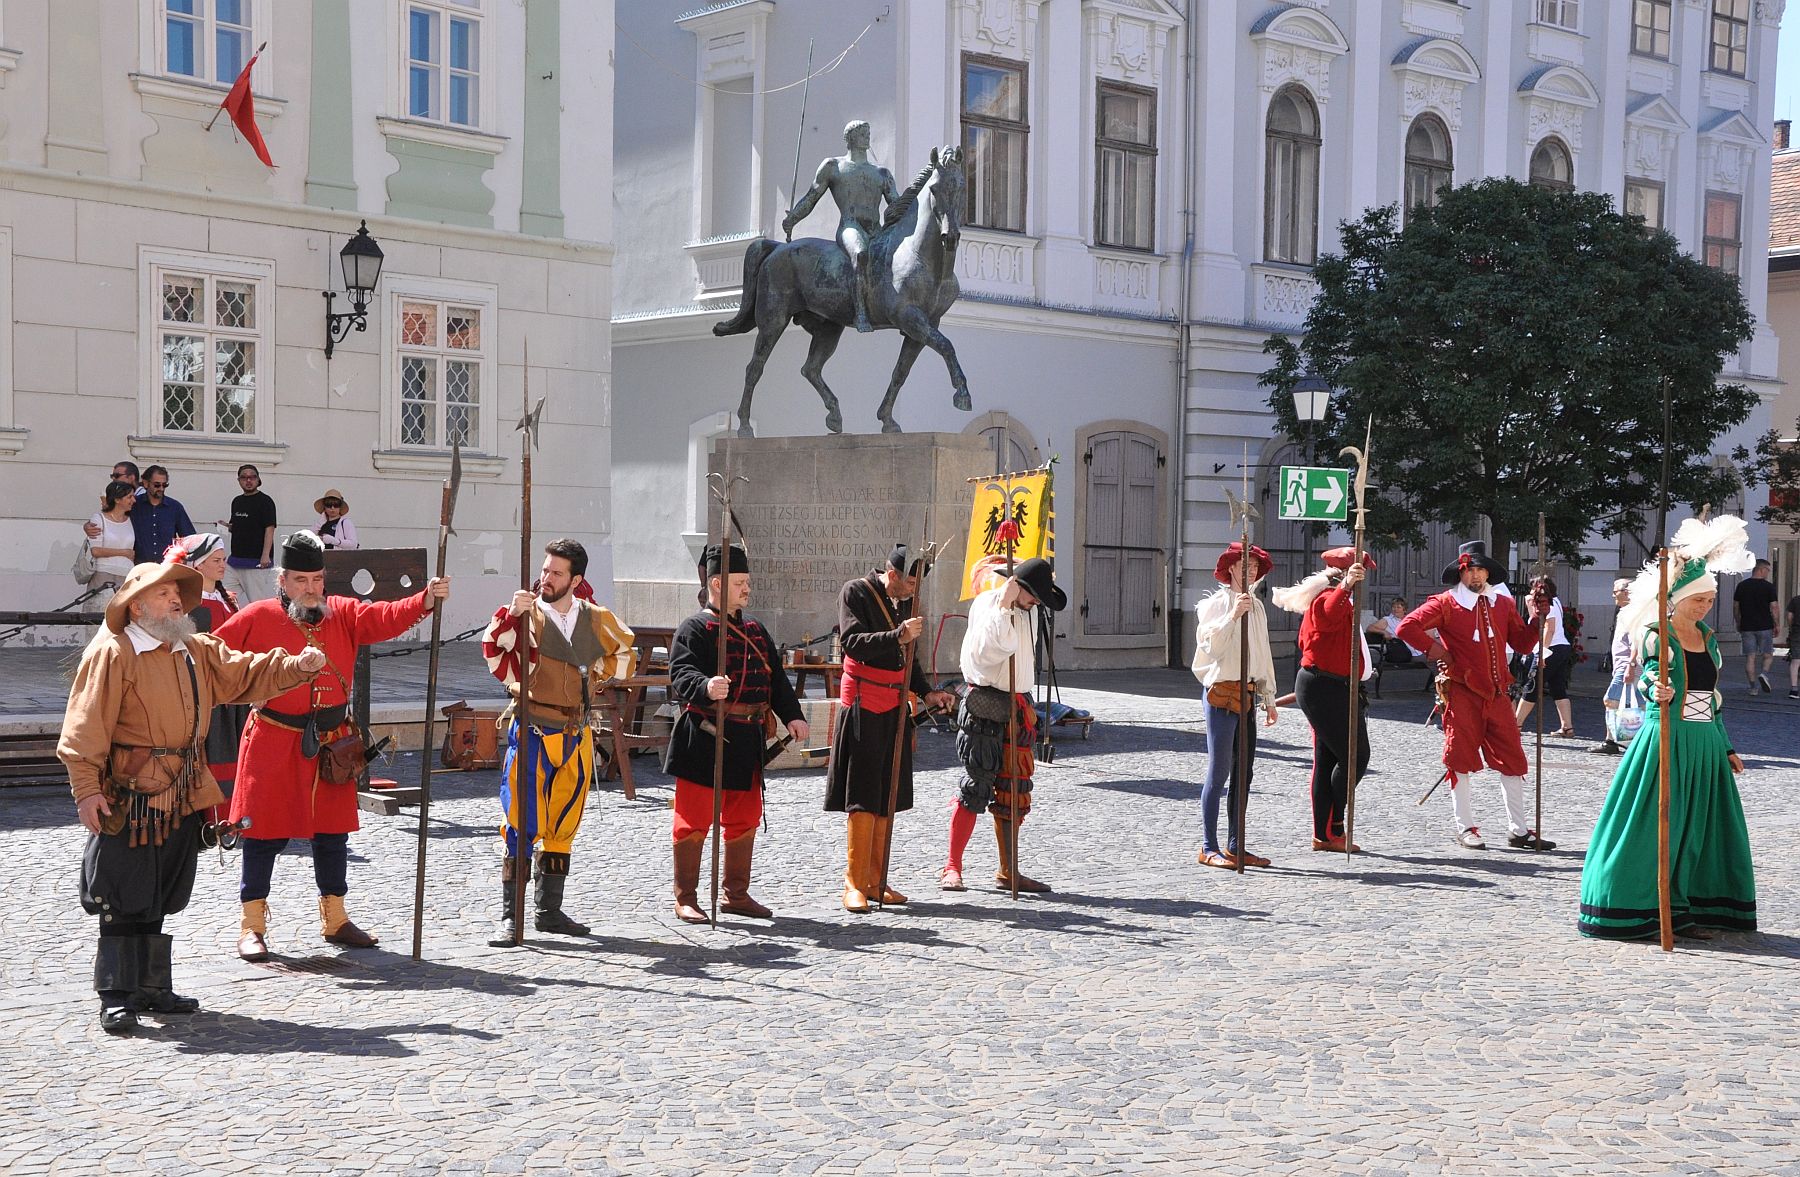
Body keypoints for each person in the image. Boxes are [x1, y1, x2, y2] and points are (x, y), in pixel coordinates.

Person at [57, 561, 323, 1033]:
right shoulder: (114, 652)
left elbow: (243, 671)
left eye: (178, 593)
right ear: (136, 606)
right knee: (122, 892)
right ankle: (116, 995)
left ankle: (152, 988)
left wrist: (295, 666)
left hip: (182, 791)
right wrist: (86, 791)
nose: (176, 600)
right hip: (130, 795)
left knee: (161, 891)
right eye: (163, 594)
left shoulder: (194, 649)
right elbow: (84, 727)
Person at [215, 530, 449, 959]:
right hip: (274, 738)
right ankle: (252, 926)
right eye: (301, 580)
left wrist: (425, 600)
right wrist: (245, 685)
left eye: (317, 580)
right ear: (283, 581)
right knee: (262, 833)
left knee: (332, 833)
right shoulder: (257, 616)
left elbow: (385, 616)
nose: (311, 589)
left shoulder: (342, 612)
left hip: (332, 743)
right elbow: (214, 655)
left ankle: (336, 919)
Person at [1578, 515, 1757, 940]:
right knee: (1659, 827)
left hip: (1705, 745)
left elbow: (1712, 701)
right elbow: (1649, 675)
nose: (1706, 605)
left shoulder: (1708, 638)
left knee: (1698, 830)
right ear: (1678, 598)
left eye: (1710, 599)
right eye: (1699, 599)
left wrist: (1727, 747)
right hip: (1668, 740)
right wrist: (1655, 688)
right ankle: (1640, 906)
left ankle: (1686, 904)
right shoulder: (1658, 635)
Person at [480, 539, 636, 945]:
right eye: (545, 570)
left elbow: (625, 654)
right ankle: (511, 916)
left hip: (575, 733)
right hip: (533, 729)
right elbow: (494, 650)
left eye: (556, 573)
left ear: (575, 580)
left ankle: (548, 912)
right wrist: (512, 614)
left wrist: (595, 674)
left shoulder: (595, 618)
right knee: (521, 820)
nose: (546, 578)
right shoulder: (527, 616)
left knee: (564, 822)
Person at [663, 544, 807, 923]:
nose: (747, 589)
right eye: (740, 582)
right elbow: (681, 673)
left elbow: (777, 681)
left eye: (747, 582)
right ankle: (686, 898)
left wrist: (792, 716)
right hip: (704, 737)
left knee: (744, 819)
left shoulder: (755, 630)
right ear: (716, 583)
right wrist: (706, 686)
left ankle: (736, 895)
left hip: (747, 740)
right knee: (693, 820)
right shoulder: (693, 629)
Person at [1397, 541, 1555, 851]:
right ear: (1461, 573)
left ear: (1488, 573)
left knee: (1513, 759)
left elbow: (1522, 644)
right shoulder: (1445, 603)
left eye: (1481, 570)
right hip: (1462, 693)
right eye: (1470, 570)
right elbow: (1407, 626)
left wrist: (1537, 618)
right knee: (1460, 759)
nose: (1476, 576)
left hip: (1497, 695)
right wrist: (1440, 652)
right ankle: (1465, 827)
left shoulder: (1503, 603)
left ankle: (1518, 830)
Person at [826, 544, 956, 912]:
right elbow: (852, 644)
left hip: (894, 709)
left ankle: (876, 880)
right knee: (863, 794)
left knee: (886, 794)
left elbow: (908, 660)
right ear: (893, 574)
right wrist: (897, 635)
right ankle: (854, 883)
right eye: (911, 582)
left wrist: (928, 693)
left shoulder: (906, 605)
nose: (914, 589)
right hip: (864, 705)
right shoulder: (855, 592)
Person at [940, 556, 1065, 893]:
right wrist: (1003, 605)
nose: (1036, 602)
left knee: (1014, 791)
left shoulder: (1030, 611)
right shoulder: (987, 604)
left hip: (1018, 707)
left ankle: (1009, 870)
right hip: (986, 707)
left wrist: (1020, 601)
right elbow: (987, 654)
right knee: (975, 788)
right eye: (1033, 595)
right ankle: (952, 867)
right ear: (1017, 586)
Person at [1276, 547, 1376, 853]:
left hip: (1335, 687)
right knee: (1355, 756)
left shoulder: (1341, 599)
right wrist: (1346, 586)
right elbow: (1329, 616)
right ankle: (1334, 826)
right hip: (1325, 687)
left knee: (1329, 760)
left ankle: (1325, 833)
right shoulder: (1326, 599)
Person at [1190, 542, 1279, 868]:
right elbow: (1210, 648)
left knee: (1245, 773)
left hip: (1248, 695)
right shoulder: (1215, 604)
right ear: (1231, 568)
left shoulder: (1257, 607)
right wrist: (1232, 616)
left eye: (1254, 566)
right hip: (1223, 695)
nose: (1251, 571)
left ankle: (1235, 844)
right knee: (1219, 772)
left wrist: (1268, 697)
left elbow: (1262, 654)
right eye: (1245, 566)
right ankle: (1208, 847)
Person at [781, 119, 902, 333]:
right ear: (850, 138)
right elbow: (811, 198)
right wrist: (793, 219)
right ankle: (860, 312)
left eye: (868, 132)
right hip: (850, 226)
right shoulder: (833, 166)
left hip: (877, 230)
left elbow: (897, 205)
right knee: (861, 253)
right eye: (862, 133)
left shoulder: (881, 173)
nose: (867, 136)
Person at [164, 534, 247, 795]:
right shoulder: (187, 604)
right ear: (198, 565)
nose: (223, 565)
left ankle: (232, 810)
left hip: (231, 689)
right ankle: (210, 811)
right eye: (216, 560)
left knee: (234, 753)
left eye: (223, 559)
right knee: (210, 754)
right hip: (205, 691)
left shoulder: (229, 599)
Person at [1515, 576, 1576, 736]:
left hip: (1550, 649)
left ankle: (1516, 725)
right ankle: (1567, 726)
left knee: (1532, 686)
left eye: (1532, 588)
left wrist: (1542, 653)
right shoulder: (1554, 601)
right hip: (1561, 647)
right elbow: (1536, 623)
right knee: (1558, 687)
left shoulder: (1547, 604)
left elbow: (1550, 628)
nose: (1530, 592)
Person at [1591, 578, 1637, 755]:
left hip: (1626, 666)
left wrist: (1630, 665)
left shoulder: (1632, 613)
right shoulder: (1624, 612)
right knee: (1626, 703)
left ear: (1626, 592)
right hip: (1622, 666)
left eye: (1615, 591)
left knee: (1612, 700)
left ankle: (1621, 741)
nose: (1613, 595)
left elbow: (1636, 642)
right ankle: (1617, 741)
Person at [223, 465, 278, 603]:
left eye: (252, 477)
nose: (248, 480)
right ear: (239, 480)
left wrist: (265, 555)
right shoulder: (237, 501)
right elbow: (237, 526)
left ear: (258, 479)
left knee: (257, 602)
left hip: (256, 562)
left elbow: (270, 528)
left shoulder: (265, 501)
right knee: (225, 598)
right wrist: (225, 526)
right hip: (235, 561)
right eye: (244, 477)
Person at [129, 466, 194, 565]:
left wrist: (182, 558)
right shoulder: (134, 505)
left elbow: (189, 537)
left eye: (165, 485)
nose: (161, 488)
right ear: (145, 483)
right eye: (157, 485)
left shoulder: (175, 507)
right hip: (138, 566)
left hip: (166, 567)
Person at [1732, 559, 1779, 693]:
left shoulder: (1742, 586)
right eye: (1767, 570)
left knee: (1750, 657)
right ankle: (1764, 674)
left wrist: (1738, 622)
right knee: (1768, 655)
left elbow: (1736, 607)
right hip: (1765, 625)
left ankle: (1753, 687)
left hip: (1747, 626)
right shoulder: (1769, 587)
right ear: (1761, 570)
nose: (1768, 573)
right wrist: (1777, 624)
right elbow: (1774, 607)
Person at [84, 480, 138, 592]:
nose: (134, 500)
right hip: (104, 573)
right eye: (129, 497)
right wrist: (124, 553)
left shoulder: (132, 520)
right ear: (117, 499)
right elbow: (96, 551)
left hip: (127, 574)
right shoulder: (99, 519)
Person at [1367, 597, 1424, 663]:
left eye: (1398, 607)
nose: (1395, 609)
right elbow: (1370, 628)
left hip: (1418, 650)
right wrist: (1384, 632)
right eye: (1394, 607)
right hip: (1405, 652)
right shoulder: (1387, 620)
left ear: (1404, 610)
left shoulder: (1409, 620)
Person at [1787, 590, 1800, 700]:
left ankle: (1794, 689)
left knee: (1795, 661)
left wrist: (1791, 628)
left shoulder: (1795, 600)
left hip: (1797, 632)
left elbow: (1789, 616)